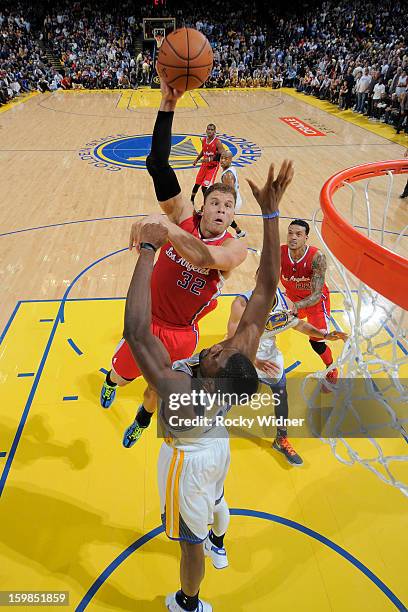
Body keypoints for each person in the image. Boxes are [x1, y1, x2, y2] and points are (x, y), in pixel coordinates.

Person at [122, 157, 294, 612]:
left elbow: (137, 333)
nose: (215, 349)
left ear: (212, 377)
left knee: (188, 541)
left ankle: (189, 600)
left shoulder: (182, 393)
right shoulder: (241, 357)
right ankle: (222, 538)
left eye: (214, 356)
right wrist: (272, 213)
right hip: (217, 449)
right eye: (221, 350)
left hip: (190, 459)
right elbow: (265, 287)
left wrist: (147, 251)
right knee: (217, 499)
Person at [100, 81, 248, 448]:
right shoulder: (183, 215)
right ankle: (111, 382)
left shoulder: (235, 248)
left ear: (232, 218)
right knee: (120, 376)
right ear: (203, 206)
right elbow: (158, 164)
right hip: (148, 321)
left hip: (182, 332)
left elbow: (202, 257)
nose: (221, 210)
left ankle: (141, 419)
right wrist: (168, 103)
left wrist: (163, 228)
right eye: (215, 203)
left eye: (228, 208)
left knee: (159, 390)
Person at [227, 281, 347, 465]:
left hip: (268, 353)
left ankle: (281, 439)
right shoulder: (242, 304)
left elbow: (298, 325)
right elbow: (234, 340)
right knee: (232, 393)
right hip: (242, 352)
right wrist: (253, 361)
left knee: (281, 392)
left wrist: (323, 335)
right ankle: (210, 419)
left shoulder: (286, 304)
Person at [280, 219, 338, 386]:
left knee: (317, 343)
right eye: (290, 233)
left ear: (306, 237)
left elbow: (317, 294)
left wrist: (295, 306)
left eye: (298, 234)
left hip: (315, 303)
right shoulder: (281, 252)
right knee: (265, 323)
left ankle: (331, 368)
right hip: (292, 297)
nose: (293, 237)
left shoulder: (316, 257)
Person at [190, 124, 224, 205]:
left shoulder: (217, 142)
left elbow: (222, 154)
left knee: (204, 187)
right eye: (208, 129)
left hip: (213, 167)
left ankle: (207, 204)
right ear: (206, 130)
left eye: (212, 130)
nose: (209, 131)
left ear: (215, 132)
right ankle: (191, 201)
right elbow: (203, 151)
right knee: (197, 184)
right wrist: (197, 159)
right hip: (204, 165)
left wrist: (209, 159)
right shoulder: (203, 140)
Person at [220, 151, 246, 238]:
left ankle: (222, 239)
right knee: (228, 218)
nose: (222, 160)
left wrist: (224, 204)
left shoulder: (228, 175)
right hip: (236, 199)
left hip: (233, 201)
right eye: (221, 158)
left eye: (225, 159)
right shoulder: (232, 168)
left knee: (222, 219)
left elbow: (230, 193)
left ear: (231, 160)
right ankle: (239, 232)